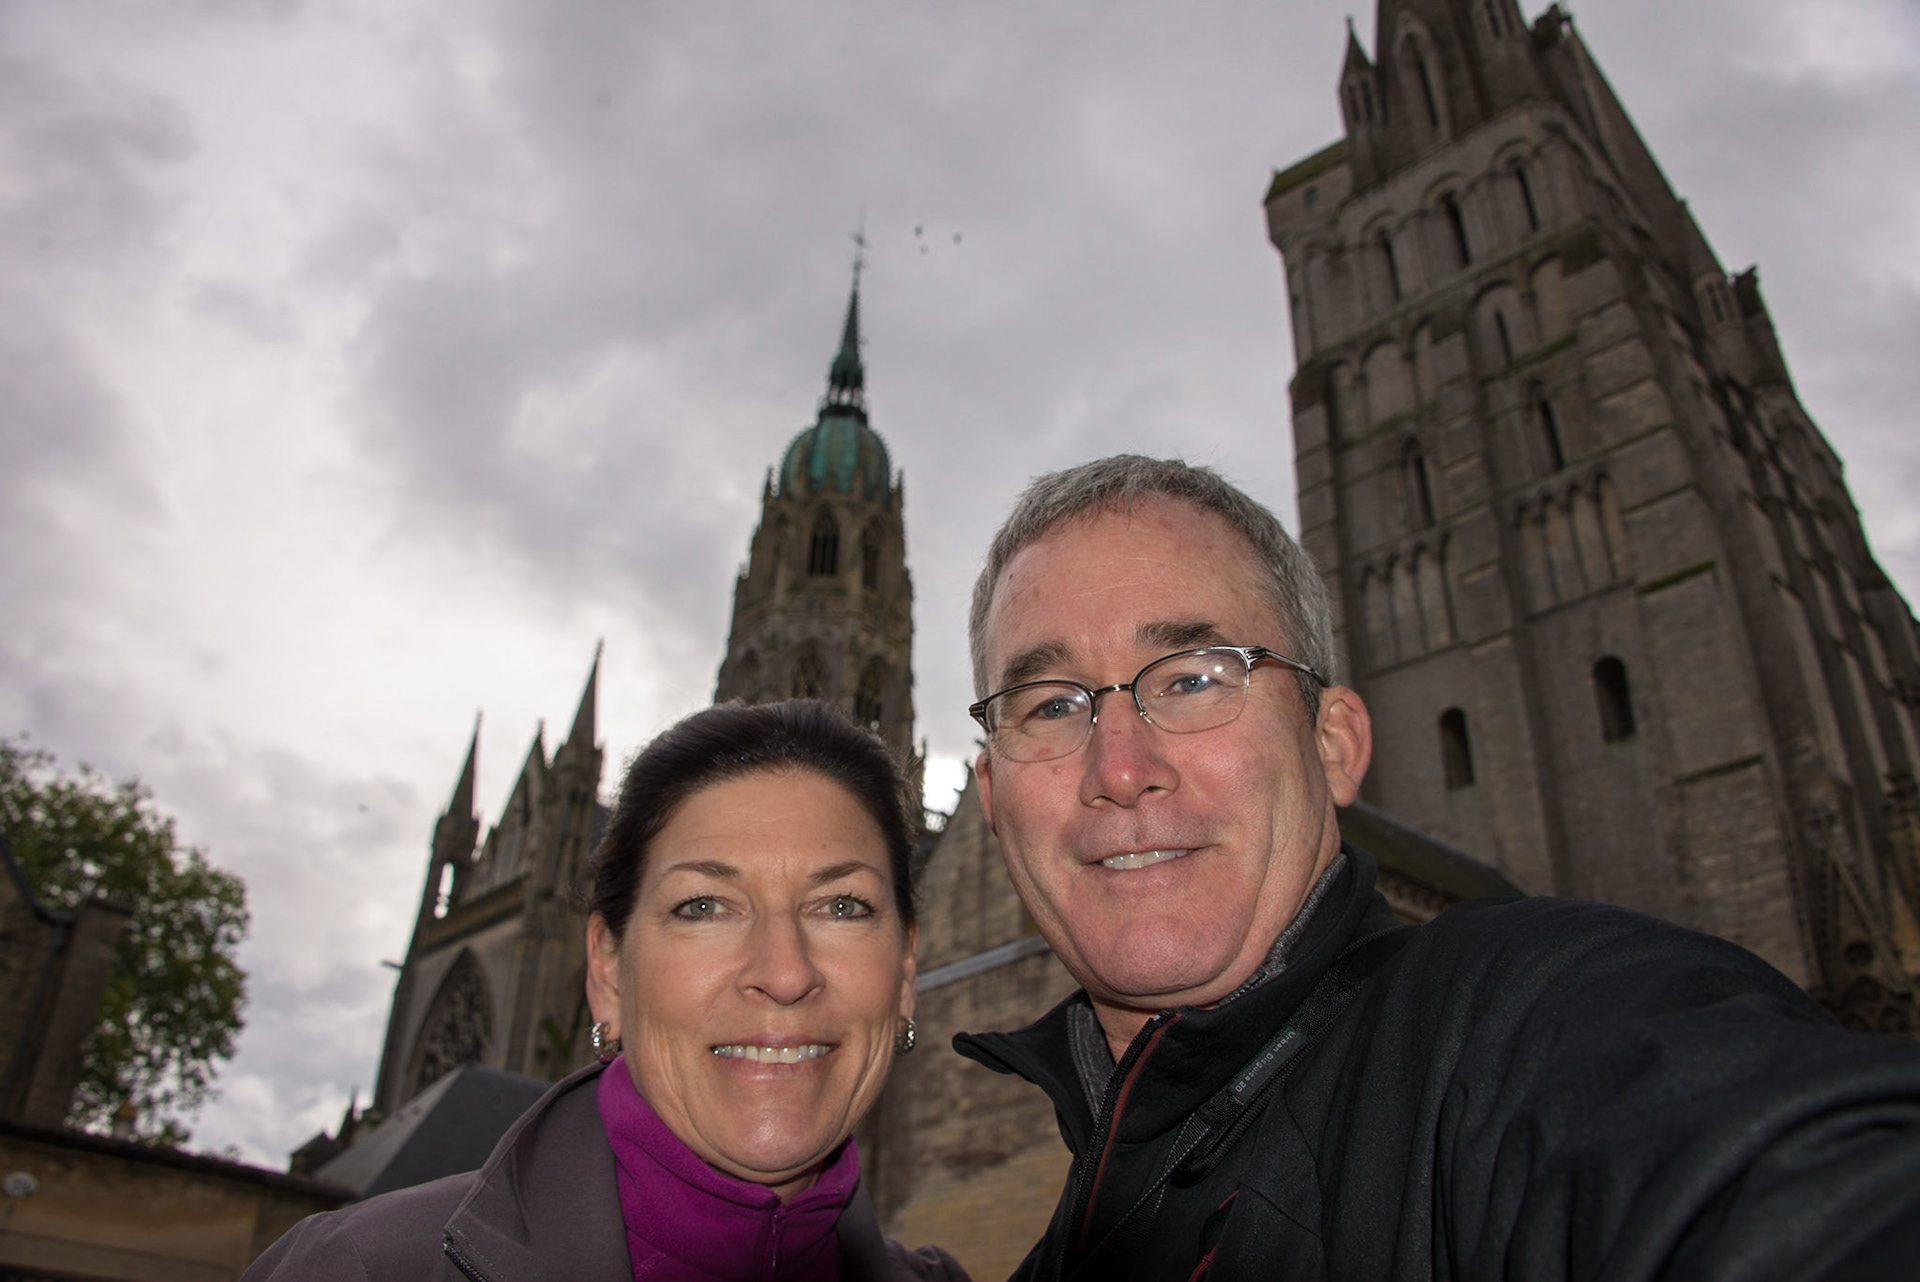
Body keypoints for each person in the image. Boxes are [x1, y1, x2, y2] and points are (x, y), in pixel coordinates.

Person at [952, 455, 1920, 1281]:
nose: (1119, 767)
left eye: (1196, 678)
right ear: (993, 801)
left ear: (1335, 743)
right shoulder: (1073, 1231)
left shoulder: (1527, 1023)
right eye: (1050, 704)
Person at [248, 700, 965, 1282]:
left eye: (842, 906)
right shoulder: (360, 1269)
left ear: (906, 970)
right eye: (703, 906)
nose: (783, 972)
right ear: (606, 971)